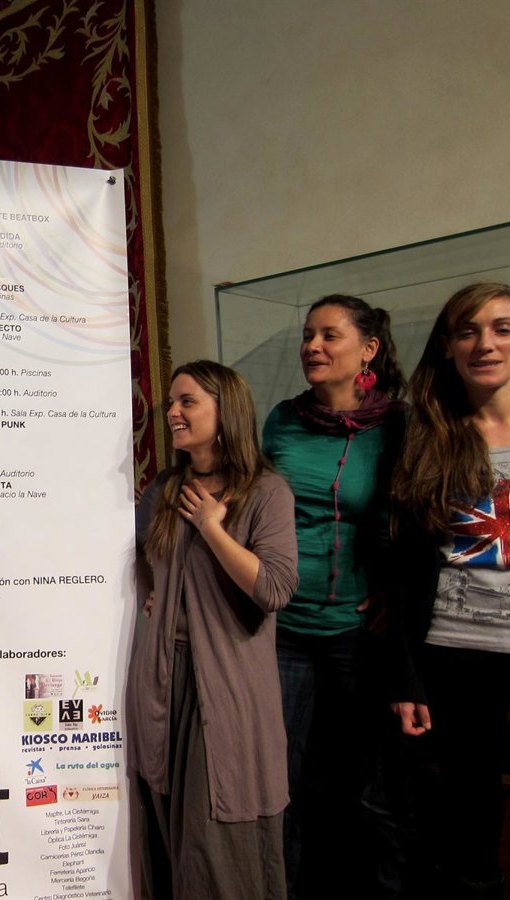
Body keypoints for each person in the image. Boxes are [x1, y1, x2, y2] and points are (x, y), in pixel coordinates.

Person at [130, 360, 298, 898]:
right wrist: (154, 588)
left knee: (217, 837)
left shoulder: (265, 491)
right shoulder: (163, 490)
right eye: (171, 403)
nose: (172, 413)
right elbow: (141, 554)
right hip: (163, 682)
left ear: (226, 411)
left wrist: (211, 528)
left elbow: (273, 588)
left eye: (188, 402)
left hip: (225, 687)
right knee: (167, 831)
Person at [262, 294, 407, 897]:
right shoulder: (282, 419)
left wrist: (396, 592)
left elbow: (414, 522)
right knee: (284, 781)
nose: (313, 347)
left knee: (372, 786)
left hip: (357, 628)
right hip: (282, 627)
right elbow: (255, 509)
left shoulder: (399, 425)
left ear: (368, 349)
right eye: (307, 335)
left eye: (329, 335)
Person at [389, 282, 510, 900]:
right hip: (455, 654)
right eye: (468, 331)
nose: (485, 344)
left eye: (502, 328)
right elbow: (403, 570)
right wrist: (407, 677)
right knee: (469, 820)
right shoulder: (429, 436)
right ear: (448, 346)